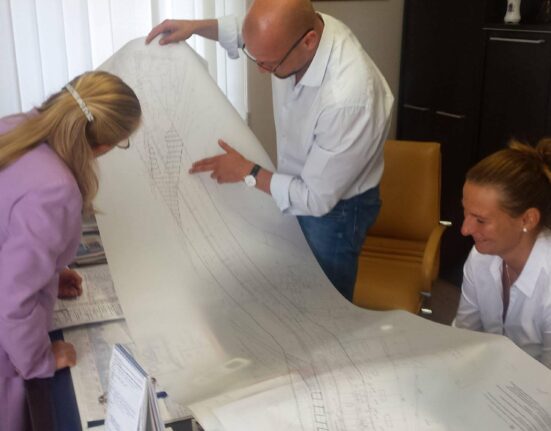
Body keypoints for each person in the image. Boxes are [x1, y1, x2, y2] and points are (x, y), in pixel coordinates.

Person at [146, 0, 394, 301]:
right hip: (299, 181)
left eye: (270, 64)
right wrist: (196, 27)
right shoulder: (297, 33)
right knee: (294, 284)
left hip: (336, 210)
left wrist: (246, 171)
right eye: (257, 58)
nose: (262, 71)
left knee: (325, 302)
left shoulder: (348, 99)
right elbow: (247, 33)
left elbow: (315, 199)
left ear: (308, 42)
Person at [0, 70, 142, 431]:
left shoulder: (15, 126)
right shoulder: (56, 188)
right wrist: (40, 360)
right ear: (104, 146)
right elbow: (11, 298)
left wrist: (48, 270)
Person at [455, 139, 551, 369]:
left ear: (527, 219)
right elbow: (463, 337)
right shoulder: (480, 257)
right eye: (465, 213)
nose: (465, 229)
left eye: (480, 220)